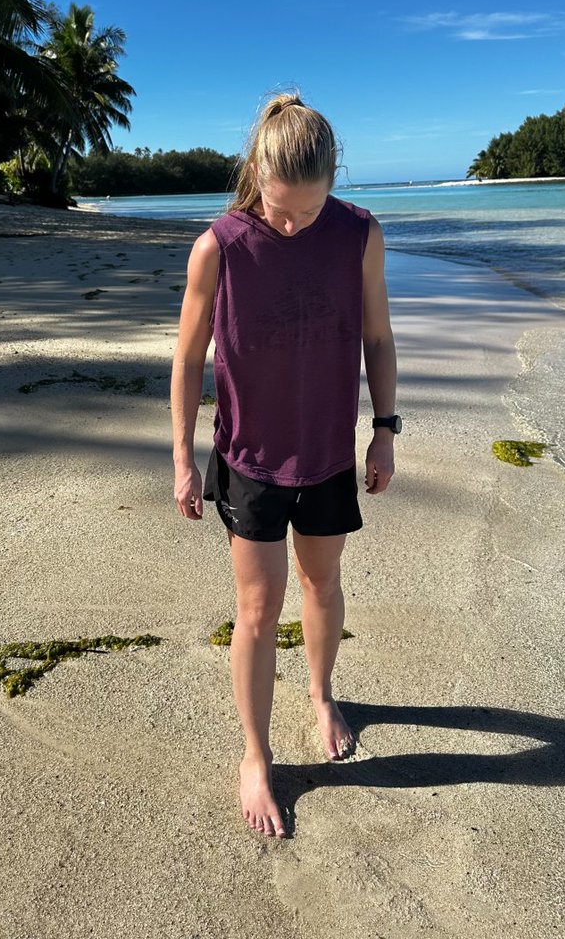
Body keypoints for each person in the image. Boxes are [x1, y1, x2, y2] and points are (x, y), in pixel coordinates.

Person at [170, 91, 398, 840]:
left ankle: (322, 694)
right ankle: (256, 755)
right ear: (255, 177)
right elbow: (187, 358)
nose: (293, 224)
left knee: (323, 583)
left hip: (328, 452)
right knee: (259, 609)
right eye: (280, 210)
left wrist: (384, 431)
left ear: (335, 180)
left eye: (309, 209)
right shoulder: (220, 246)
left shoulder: (360, 234)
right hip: (252, 459)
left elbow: (377, 337)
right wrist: (181, 456)